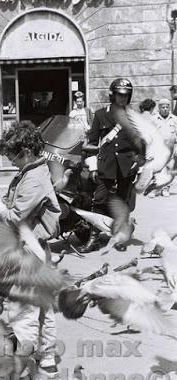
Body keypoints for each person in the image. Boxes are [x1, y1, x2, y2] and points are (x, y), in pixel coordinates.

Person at [0, 120, 61, 378]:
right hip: (37, 250)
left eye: (12, 155)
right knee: (43, 308)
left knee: (25, 311)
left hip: (30, 253)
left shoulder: (33, 178)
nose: (10, 160)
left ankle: (21, 368)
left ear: (26, 151)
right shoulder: (32, 171)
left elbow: (15, 216)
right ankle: (47, 358)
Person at [79, 78, 144, 253]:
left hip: (126, 166)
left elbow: (141, 144)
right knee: (98, 200)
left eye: (126, 95)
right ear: (113, 95)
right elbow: (92, 143)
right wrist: (92, 166)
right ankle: (93, 238)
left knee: (122, 202)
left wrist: (139, 165)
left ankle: (119, 239)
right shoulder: (101, 115)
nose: (122, 98)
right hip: (105, 165)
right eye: (119, 95)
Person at [151, 98, 177, 197]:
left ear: (169, 107)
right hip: (158, 149)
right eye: (163, 107)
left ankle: (166, 188)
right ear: (159, 108)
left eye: (167, 107)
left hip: (171, 149)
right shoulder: (154, 119)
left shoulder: (175, 119)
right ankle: (154, 189)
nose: (165, 109)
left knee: (169, 169)